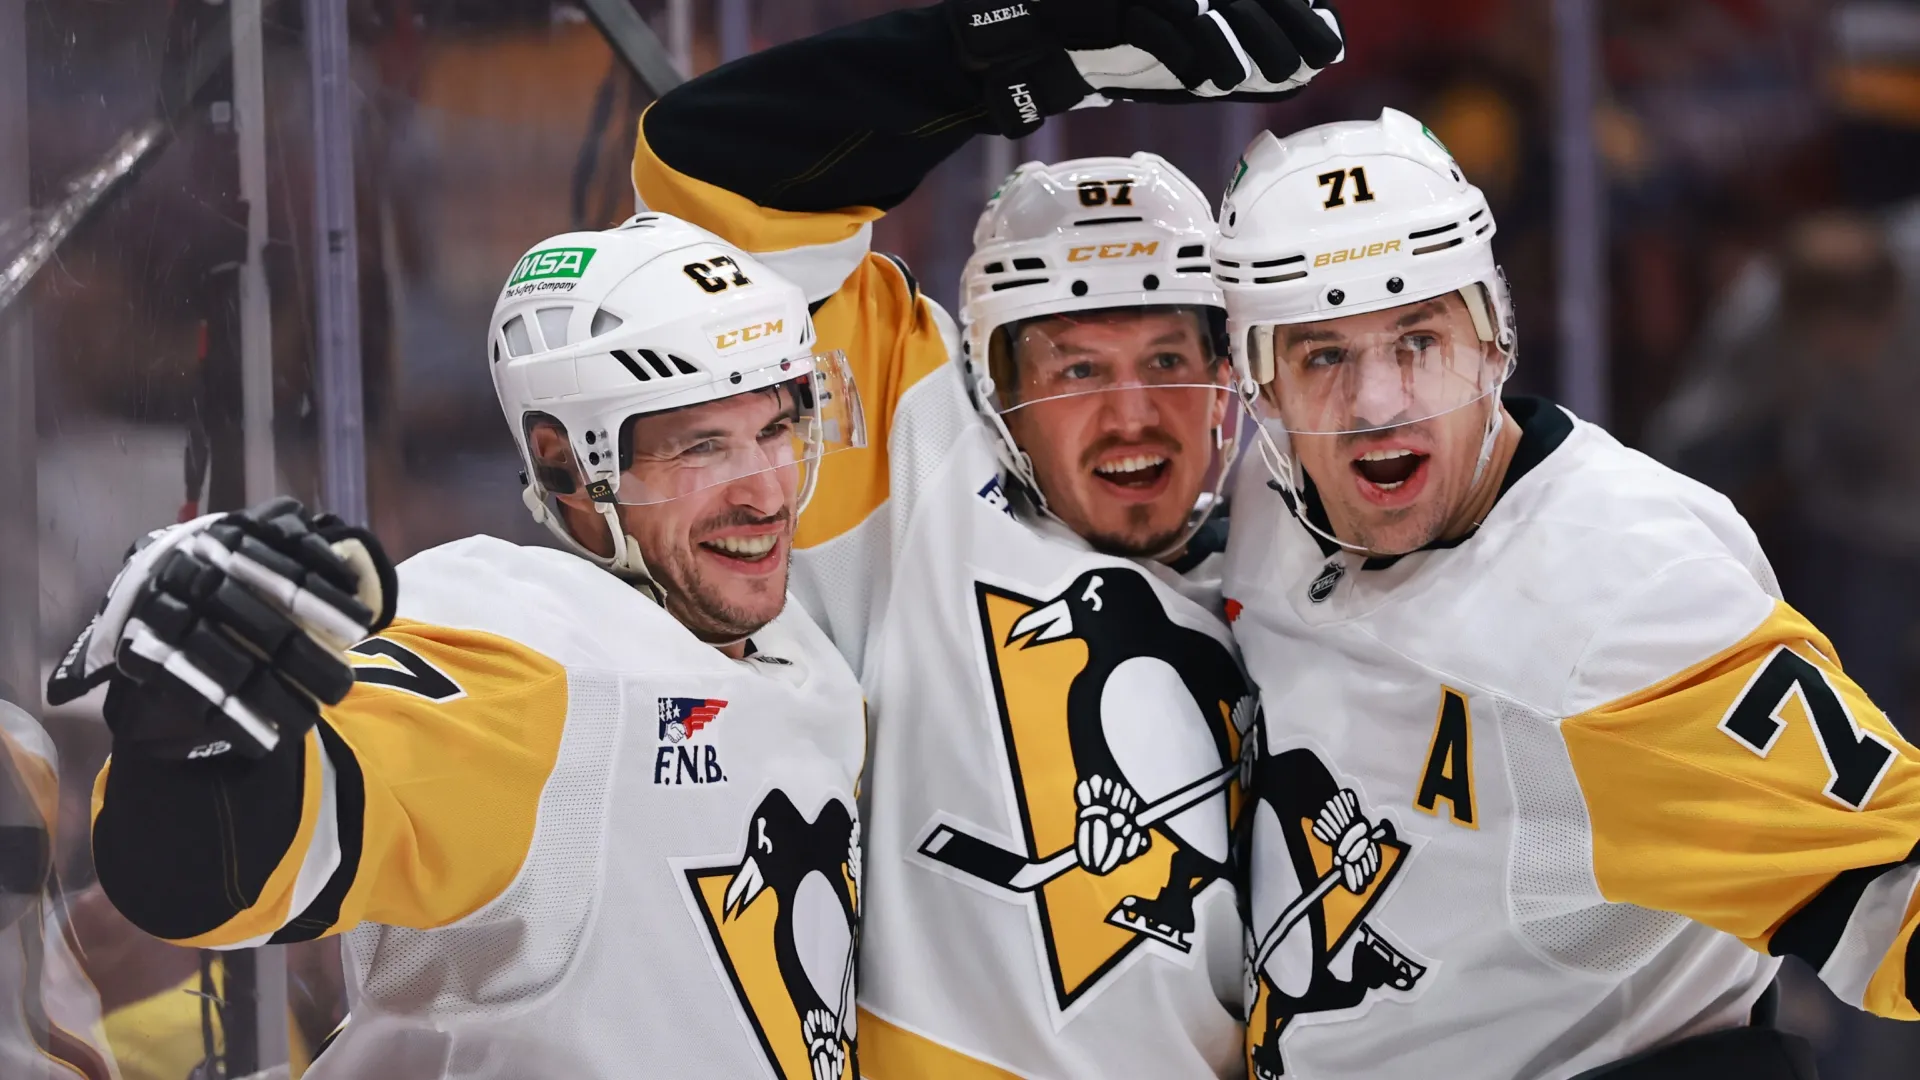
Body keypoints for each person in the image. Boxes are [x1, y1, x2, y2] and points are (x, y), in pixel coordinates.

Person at [632, 2, 1343, 1075]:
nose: (1131, 415)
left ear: (1232, 381)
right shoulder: (917, 468)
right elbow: (711, 173)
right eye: (1076, 369)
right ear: (990, 383)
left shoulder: (1314, 551)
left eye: (1166, 360)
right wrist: (1004, 46)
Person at [46, 217, 870, 1080]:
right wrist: (192, 730)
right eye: (703, 446)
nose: (766, 492)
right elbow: (207, 868)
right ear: (563, 466)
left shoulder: (810, 657)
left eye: (777, 429)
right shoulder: (531, 656)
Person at [1215, 107, 1920, 1079]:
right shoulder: (1261, 505)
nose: (1376, 403)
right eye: (1323, 354)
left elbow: (1897, 884)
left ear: (1494, 338)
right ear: (1263, 392)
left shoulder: (1626, 596)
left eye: (1418, 338)